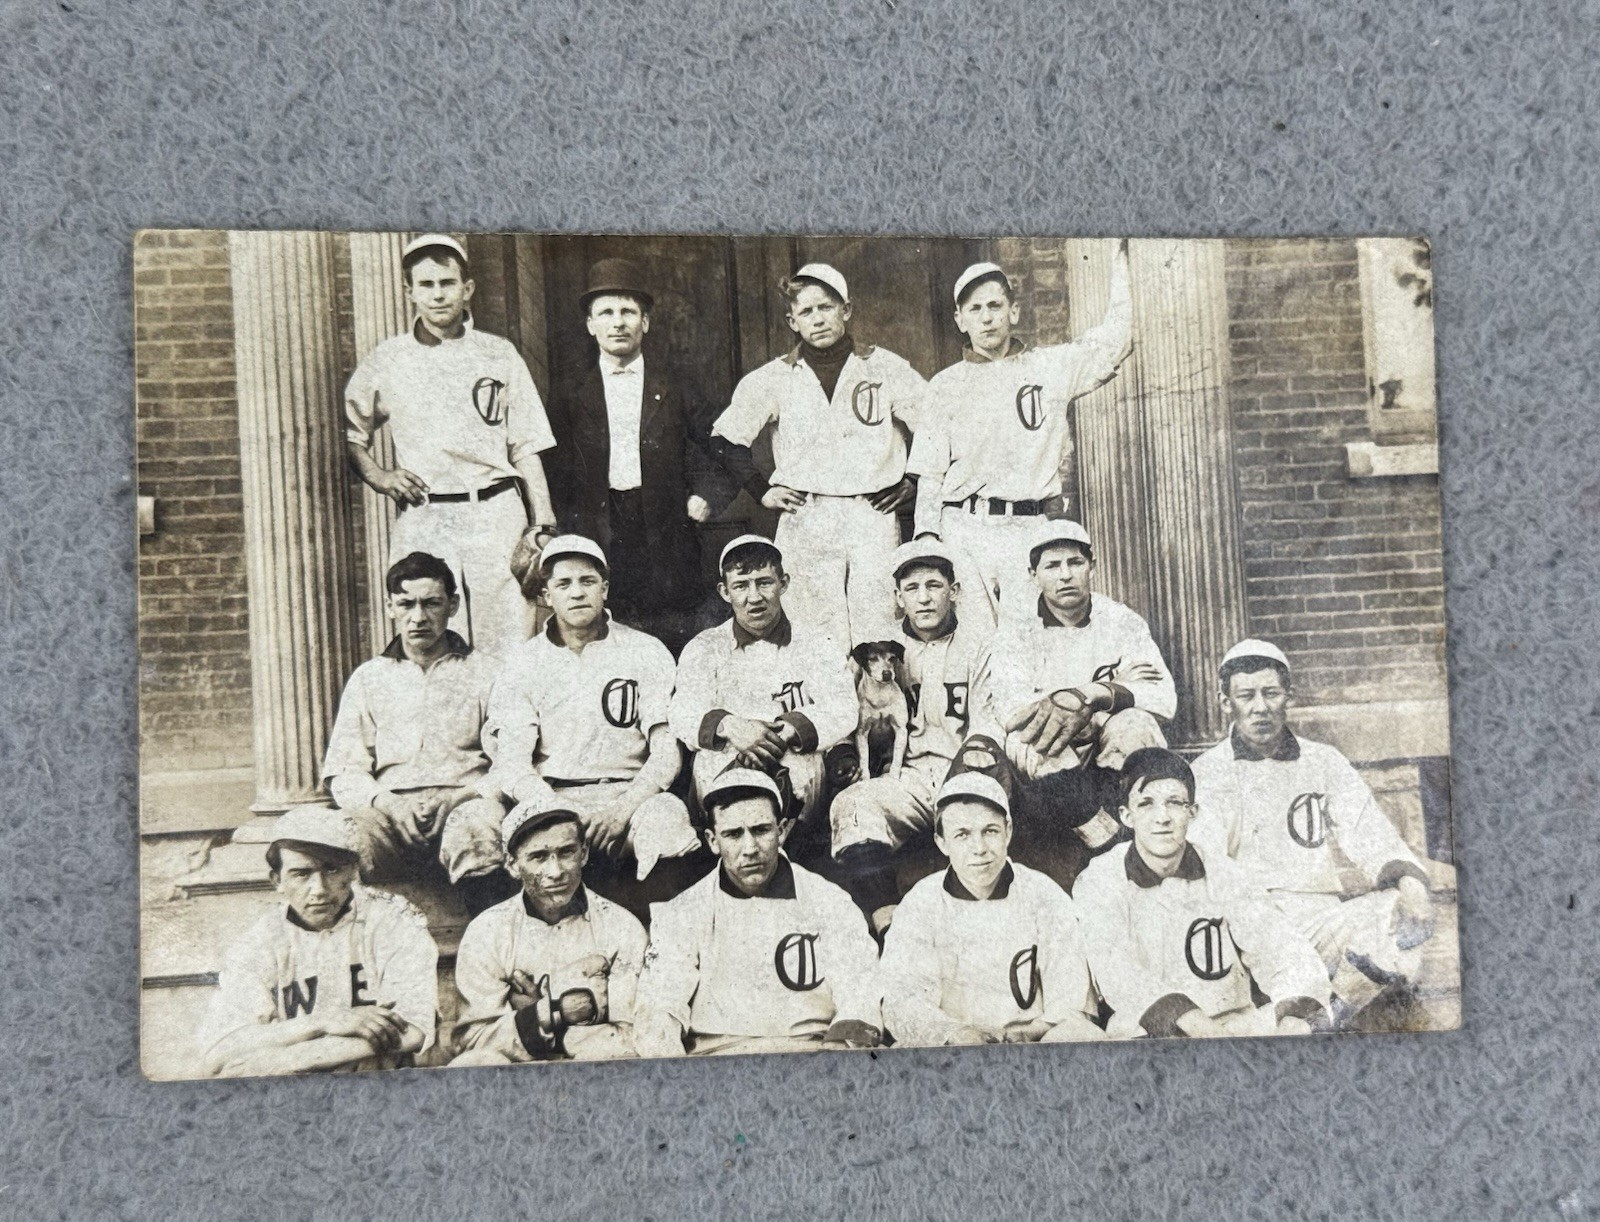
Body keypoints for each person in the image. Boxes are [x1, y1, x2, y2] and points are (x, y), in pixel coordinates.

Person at [1189, 640, 1435, 1027]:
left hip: (1319, 916)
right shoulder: (1207, 772)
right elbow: (1210, 866)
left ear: (1289, 696)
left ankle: (1332, 1011)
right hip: (1250, 923)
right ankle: (1305, 1011)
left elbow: (1366, 830)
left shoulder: (1323, 760)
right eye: (1246, 695)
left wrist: (1410, 883)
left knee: (1395, 911)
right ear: (1225, 702)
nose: (1260, 707)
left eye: (1271, 693)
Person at [344, 233, 559, 657]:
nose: (438, 294)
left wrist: (544, 524)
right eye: (426, 285)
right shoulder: (390, 358)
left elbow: (526, 445)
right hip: (428, 513)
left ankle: (508, 726)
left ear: (467, 288)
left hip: (496, 510)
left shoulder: (499, 354)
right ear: (409, 292)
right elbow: (354, 434)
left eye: (447, 283)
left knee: (511, 635)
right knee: (431, 634)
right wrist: (380, 476)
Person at [907, 241, 1133, 627]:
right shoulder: (945, 385)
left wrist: (1121, 258)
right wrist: (928, 538)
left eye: (995, 306)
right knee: (975, 642)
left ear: (1013, 311)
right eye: (975, 309)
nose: (987, 318)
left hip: (1028, 526)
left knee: (1027, 637)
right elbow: (930, 475)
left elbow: (1116, 341)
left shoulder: (1050, 367)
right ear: (960, 319)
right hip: (965, 527)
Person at [709, 263, 928, 648]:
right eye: (806, 312)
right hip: (806, 512)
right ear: (792, 321)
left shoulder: (885, 367)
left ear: (846, 309)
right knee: (812, 620)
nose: (817, 319)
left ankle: (883, 705)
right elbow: (726, 440)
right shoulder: (775, 377)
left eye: (826, 307)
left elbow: (934, 426)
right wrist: (762, 490)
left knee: (879, 613)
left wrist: (913, 481)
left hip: (871, 510)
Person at [544, 259, 736, 654]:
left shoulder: (677, 384)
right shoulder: (569, 391)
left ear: (645, 322)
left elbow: (726, 444)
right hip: (597, 530)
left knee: (671, 639)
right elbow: (553, 467)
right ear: (590, 324)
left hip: (666, 531)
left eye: (628, 312)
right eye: (607, 312)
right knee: (602, 640)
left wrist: (707, 496)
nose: (618, 322)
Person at [1072, 748, 1331, 1040]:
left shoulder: (1223, 871)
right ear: (1127, 816)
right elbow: (1116, 970)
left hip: (1232, 1027)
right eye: (1146, 804)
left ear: (1192, 812)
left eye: (1175, 803)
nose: (1163, 818)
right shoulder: (1100, 878)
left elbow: (1280, 945)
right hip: (1151, 1032)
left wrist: (1293, 1019)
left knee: (1306, 1024)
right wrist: (1202, 1031)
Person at [486, 535, 700, 888]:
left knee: (668, 820)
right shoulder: (524, 662)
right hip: (551, 798)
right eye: (563, 583)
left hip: (630, 795)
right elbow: (513, 762)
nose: (577, 592)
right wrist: (559, 810)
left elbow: (666, 752)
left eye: (587, 581)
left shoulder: (645, 650)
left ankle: (662, 938)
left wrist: (622, 809)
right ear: (546, 595)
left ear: (605, 588)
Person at [979, 518, 1175, 891]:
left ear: (1092, 566)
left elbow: (1164, 698)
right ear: (1033, 574)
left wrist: (1093, 695)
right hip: (1054, 751)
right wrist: (1083, 700)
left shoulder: (1122, 620)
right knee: (1029, 738)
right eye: (1052, 566)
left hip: (1106, 743)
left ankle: (1144, 838)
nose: (1065, 575)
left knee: (1137, 723)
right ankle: (1105, 842)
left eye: (1075, 563)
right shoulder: (1016, 630)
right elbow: (1010, 709)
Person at [632, 769, 883, 1057]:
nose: (750, 848)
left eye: (761, 830)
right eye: (733, 834)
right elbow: (658, 1007)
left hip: (812, 1056)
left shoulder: (829, 901)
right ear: (713, 841)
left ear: (782, 831)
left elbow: (860, 992)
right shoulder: (683, 912)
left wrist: (835, 1058)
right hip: (715, 1063)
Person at [316, 551, 510, 916]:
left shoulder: (487, 672)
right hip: (389, 810)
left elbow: (511, 760)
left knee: (478, 829)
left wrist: (465, 796)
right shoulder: (370, 678)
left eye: (431, 603)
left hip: (464, 801)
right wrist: (387, 803)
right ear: (390, 607)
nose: (418, 617)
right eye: (406, 604)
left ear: (452, 605)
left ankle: (491, 947)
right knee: (341, 837)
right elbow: (344, 769)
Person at [829, 539, 999, 932]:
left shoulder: (981, 643)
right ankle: (886, 920)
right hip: (905, 775)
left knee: (976, 833)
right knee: (852, 806)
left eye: (934, 585)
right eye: (912, 588)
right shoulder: (878, 649)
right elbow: (844, 711)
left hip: (967, 767)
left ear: (953, 592)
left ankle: (981, 930)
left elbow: (991, 719)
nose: (923, 598)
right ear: (898, 597)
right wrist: (845, 755)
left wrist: (974, 764)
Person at [198, 807, 439, 1077]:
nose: (319, 889)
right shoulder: (259, 942)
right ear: (277, 880)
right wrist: (324, 1023)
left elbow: (412, 1031)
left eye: (332, 870)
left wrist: (288, 1059)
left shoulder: (394, 921)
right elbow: (217, 1052)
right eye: (301, 874)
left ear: (353, 872)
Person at [880, 773, 1105, 1047]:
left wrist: (1031, 1032)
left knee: (1082, 1036)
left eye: (990, 831)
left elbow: (1071, 998)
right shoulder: (921, 903)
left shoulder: (1043, 894)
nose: (979, 849)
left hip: (1032, 1046)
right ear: (941, 842)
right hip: (951, 1047)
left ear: (1008, 831)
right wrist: (954, 1034)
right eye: (962, 834)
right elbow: (903, 1000)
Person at [667, 535, 857, 837]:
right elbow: (681, 711)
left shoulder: (817, 642)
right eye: (741, 585)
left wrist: (787, 731)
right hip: (727, 755)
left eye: (764, 582)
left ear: (784, 583)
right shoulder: (705, 646)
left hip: (795, 759)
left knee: (801, 774)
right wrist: (730, 726)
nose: (754, 597)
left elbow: (844, 707)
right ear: (724, 592)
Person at [450, 803, 647, 1066]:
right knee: (474, 1063)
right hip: (518, 1072)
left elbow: (633, 1035)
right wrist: (551, 1011)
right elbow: (471, 1040)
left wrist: (532, 1018)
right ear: (512, 864)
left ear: (584, 853)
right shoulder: (487, 931)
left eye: (566, 852)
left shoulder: (621, 926)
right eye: (539, 857)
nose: (556, 872)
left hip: (594, 1068)